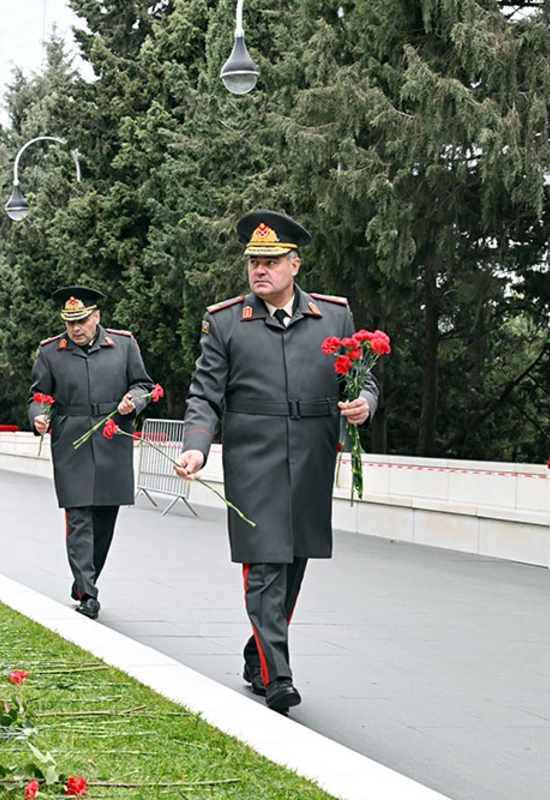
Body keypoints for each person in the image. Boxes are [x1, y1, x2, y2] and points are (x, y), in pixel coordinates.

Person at [175, 210, 378, 714]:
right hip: (254, 459)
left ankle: (258, 653)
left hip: (312, 458)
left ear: (295, 265)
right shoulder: (225, 321)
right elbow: (205, 393)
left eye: (270, 261)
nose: (259, 270)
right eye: (253, 262)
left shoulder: (334, 316)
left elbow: (361, 379)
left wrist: (365, 403)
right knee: (264, 563)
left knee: (293, 563)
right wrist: (196, 444)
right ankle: (278, 676)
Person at [28, 286, 154, 620]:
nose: (76, 328)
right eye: (70, 322)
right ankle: (88, 593)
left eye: (82, 321)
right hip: (71, 441)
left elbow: (144, 386)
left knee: (105, 519)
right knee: (79, 516)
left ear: (97, 316)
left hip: (113, 438)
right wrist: (39, 416)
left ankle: (85, 577)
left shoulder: (123, 345)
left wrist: (133, 402)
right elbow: (38, 395)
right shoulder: (50, 351)